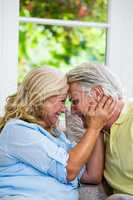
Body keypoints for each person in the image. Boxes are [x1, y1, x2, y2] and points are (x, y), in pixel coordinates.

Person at [0, 66, 114, 200]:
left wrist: (97, 125)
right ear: (41, 98)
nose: (64, 109)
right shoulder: (16, 131)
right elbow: (68, 170)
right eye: (61, 101)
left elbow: (92, 175)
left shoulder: (55, 135)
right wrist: (93, 128)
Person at [67, 62, 133, 200]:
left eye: (75, 101)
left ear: (97, 93)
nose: (72, 110)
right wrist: (94, 126)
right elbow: (93, 176)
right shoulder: (100, 129)